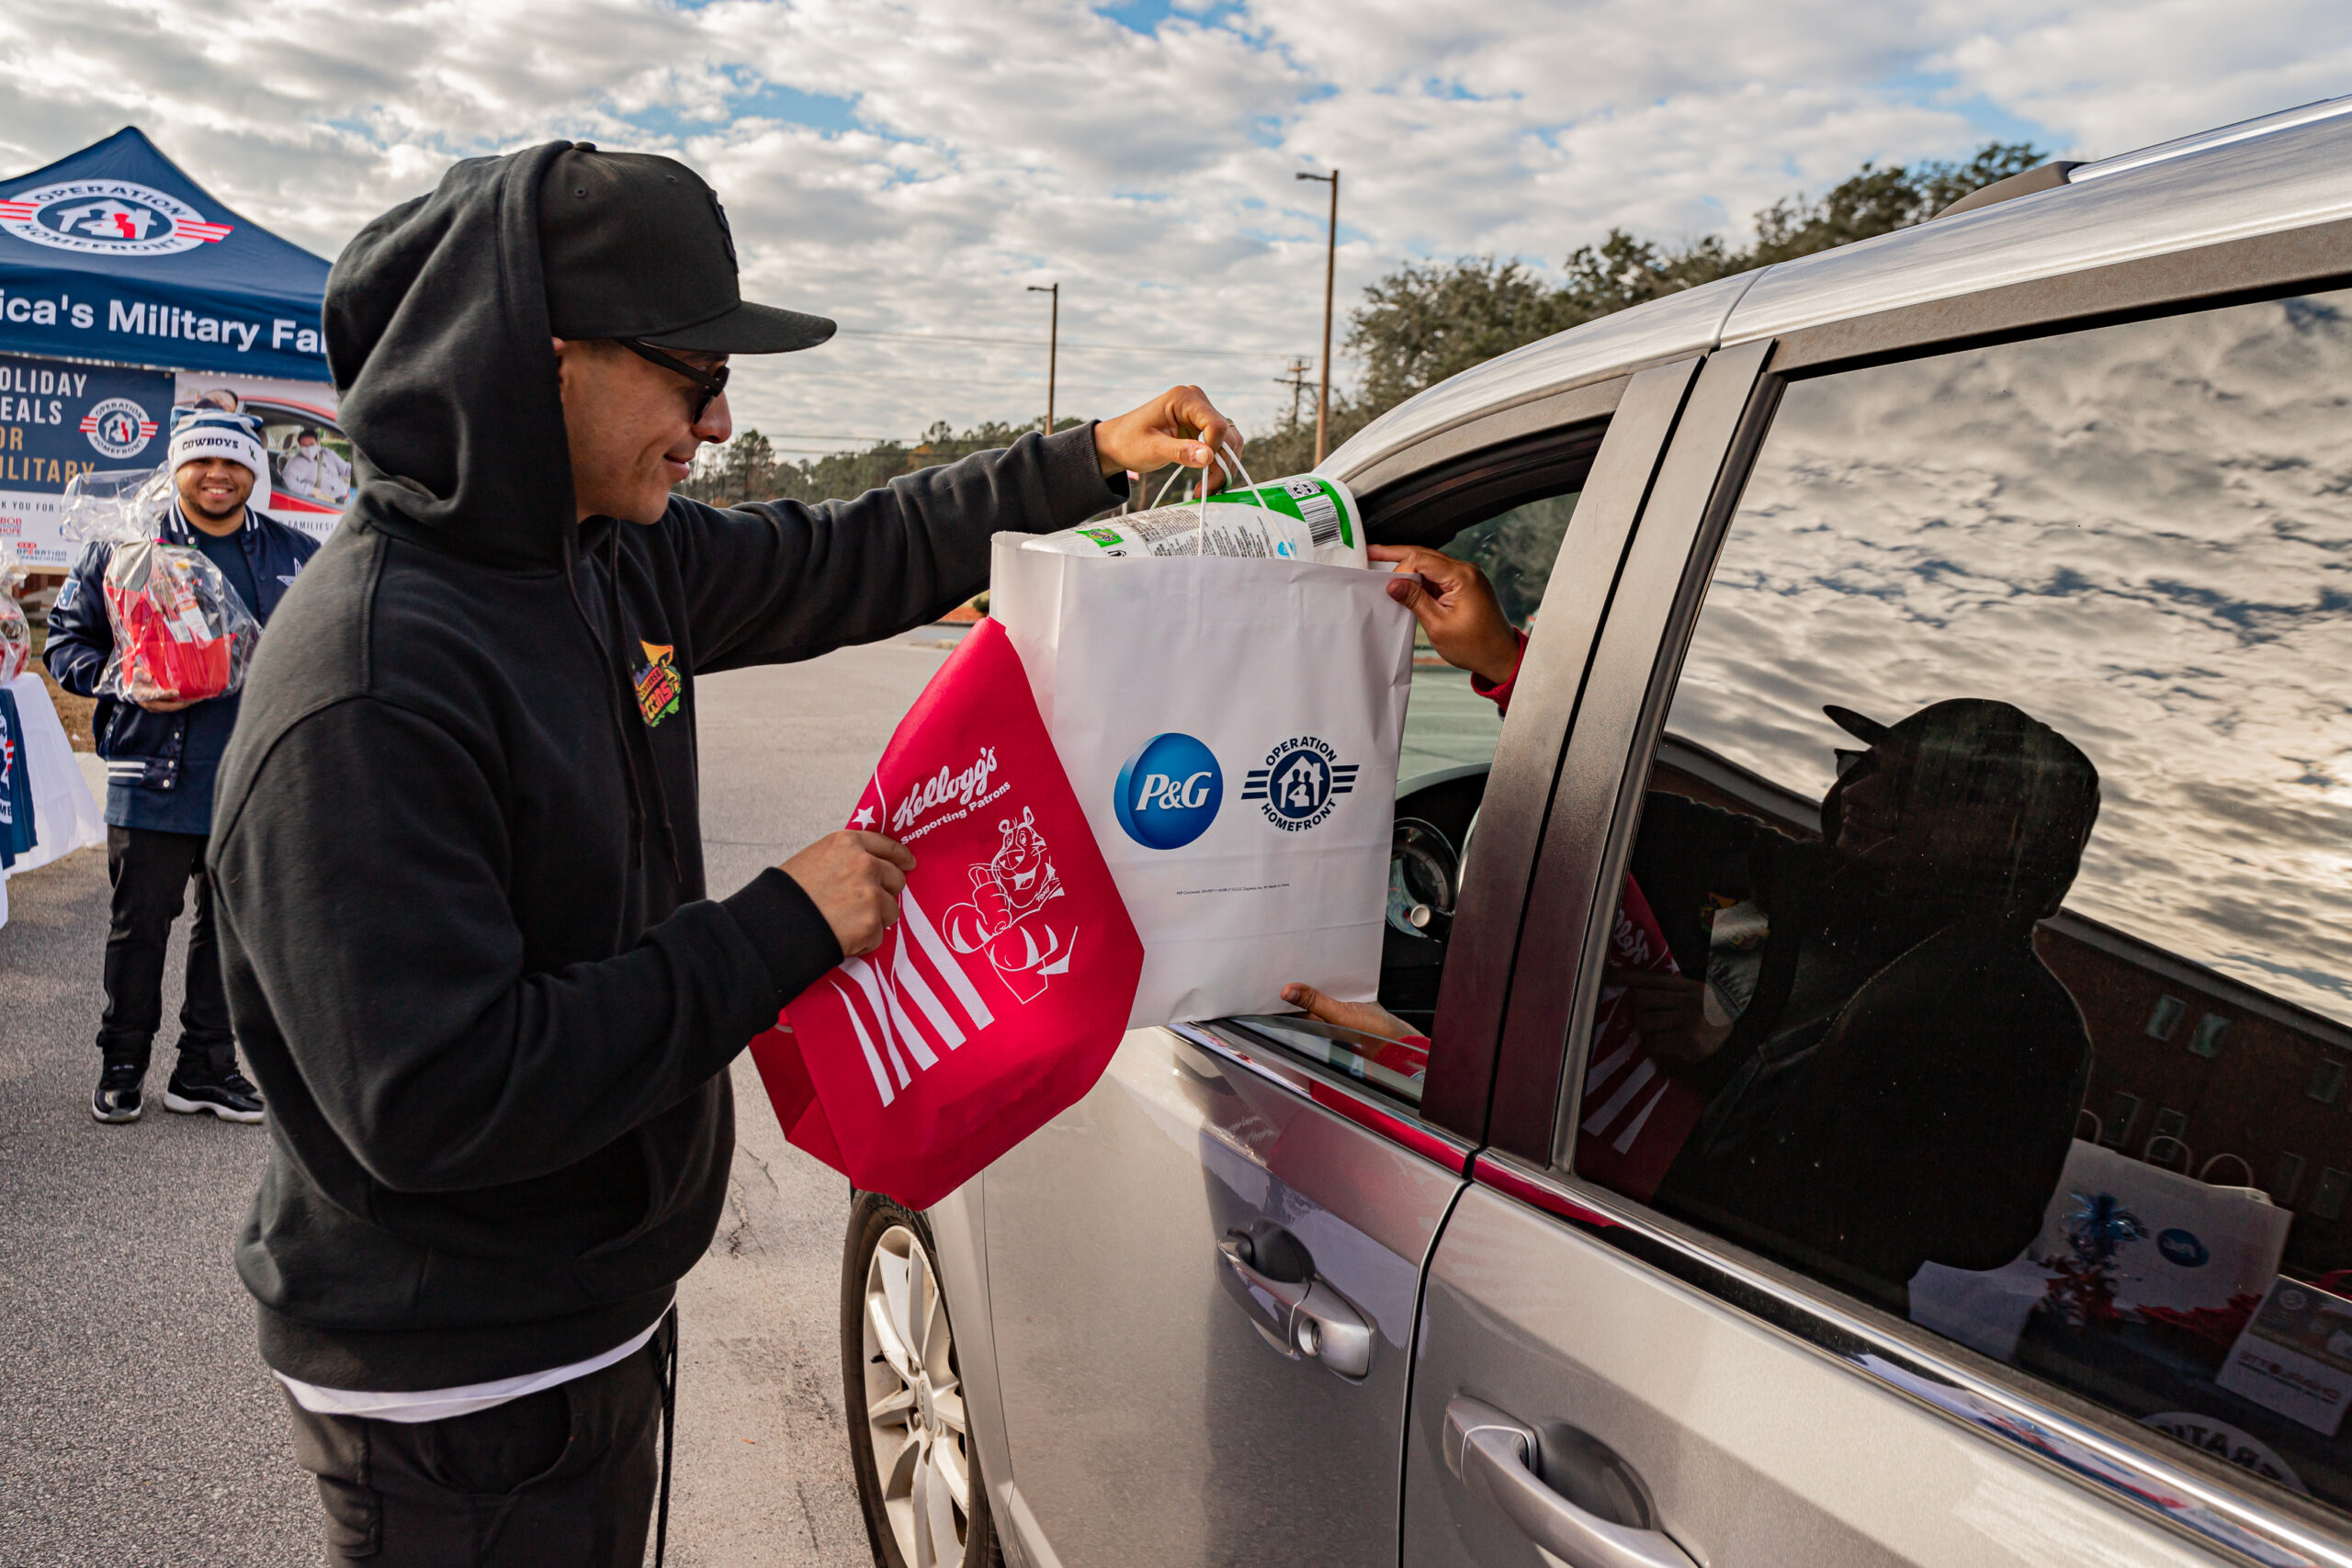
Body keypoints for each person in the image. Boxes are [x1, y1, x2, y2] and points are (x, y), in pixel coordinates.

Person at [207, 141, 1238, 1567]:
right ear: (542, 356)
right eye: (693, 373)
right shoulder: (373, 679)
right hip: (463, 1381)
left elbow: (843, 551)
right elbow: (440, 1094)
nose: (720, 414)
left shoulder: (605, 549)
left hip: (582, 1311)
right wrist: (779, 928)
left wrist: (1080, 459)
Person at [1286, 545, 2100, 1308]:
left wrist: (1728, 1057)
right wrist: (1509, 667)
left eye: (1895, 781)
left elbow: (1932, 1219)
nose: (1853, 793)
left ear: (1983, 832)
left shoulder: (2011, 1012)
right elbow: (1629, 821)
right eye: (1860, 768)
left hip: (1737, 1307)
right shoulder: (1808, 889)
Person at [43, 408, 317, 1124]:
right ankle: (123, 1062)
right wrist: (121, 676)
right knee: (140, 929)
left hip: (253, 781)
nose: (218, 475)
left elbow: (324, 653)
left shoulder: (296, 553)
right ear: (177, 466)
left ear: (254, 469)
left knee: (232, 932)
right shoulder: (127, 548)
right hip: (151, 774)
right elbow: (66, 644)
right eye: (202, 461)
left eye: (233, 462)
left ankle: (206, 1067)